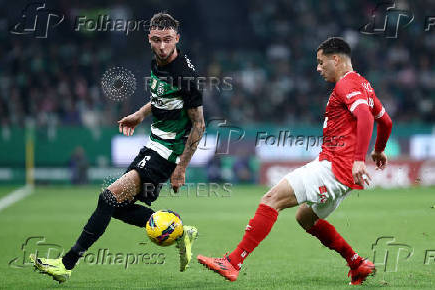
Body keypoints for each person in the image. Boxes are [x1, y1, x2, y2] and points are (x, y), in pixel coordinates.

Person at [197, 37, 392, 285]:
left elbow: (365, 116)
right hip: (342, 175)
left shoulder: (346, 84)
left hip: (334, 168)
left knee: (271, 199)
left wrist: (358, 159)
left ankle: (233, 262)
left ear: (336, 59)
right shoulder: (364, 85)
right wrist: (379, 149)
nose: (318, 68)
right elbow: (385, 121)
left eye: (321, 63)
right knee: (305, 218)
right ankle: (356, 263)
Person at [31, 12, 205, 283]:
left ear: (177, 39)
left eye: (167, 40)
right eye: (157, 40)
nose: (162, 46)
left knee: (108, 199)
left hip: (166, 153)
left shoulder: (185, 75)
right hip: (153, 145)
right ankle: (180, 232)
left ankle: (66, 265)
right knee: (117, 206)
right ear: (149, 39)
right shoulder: (158, 63)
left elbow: (199, 125)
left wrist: (181, 167)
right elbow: (161, 98)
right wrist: (139, 114)